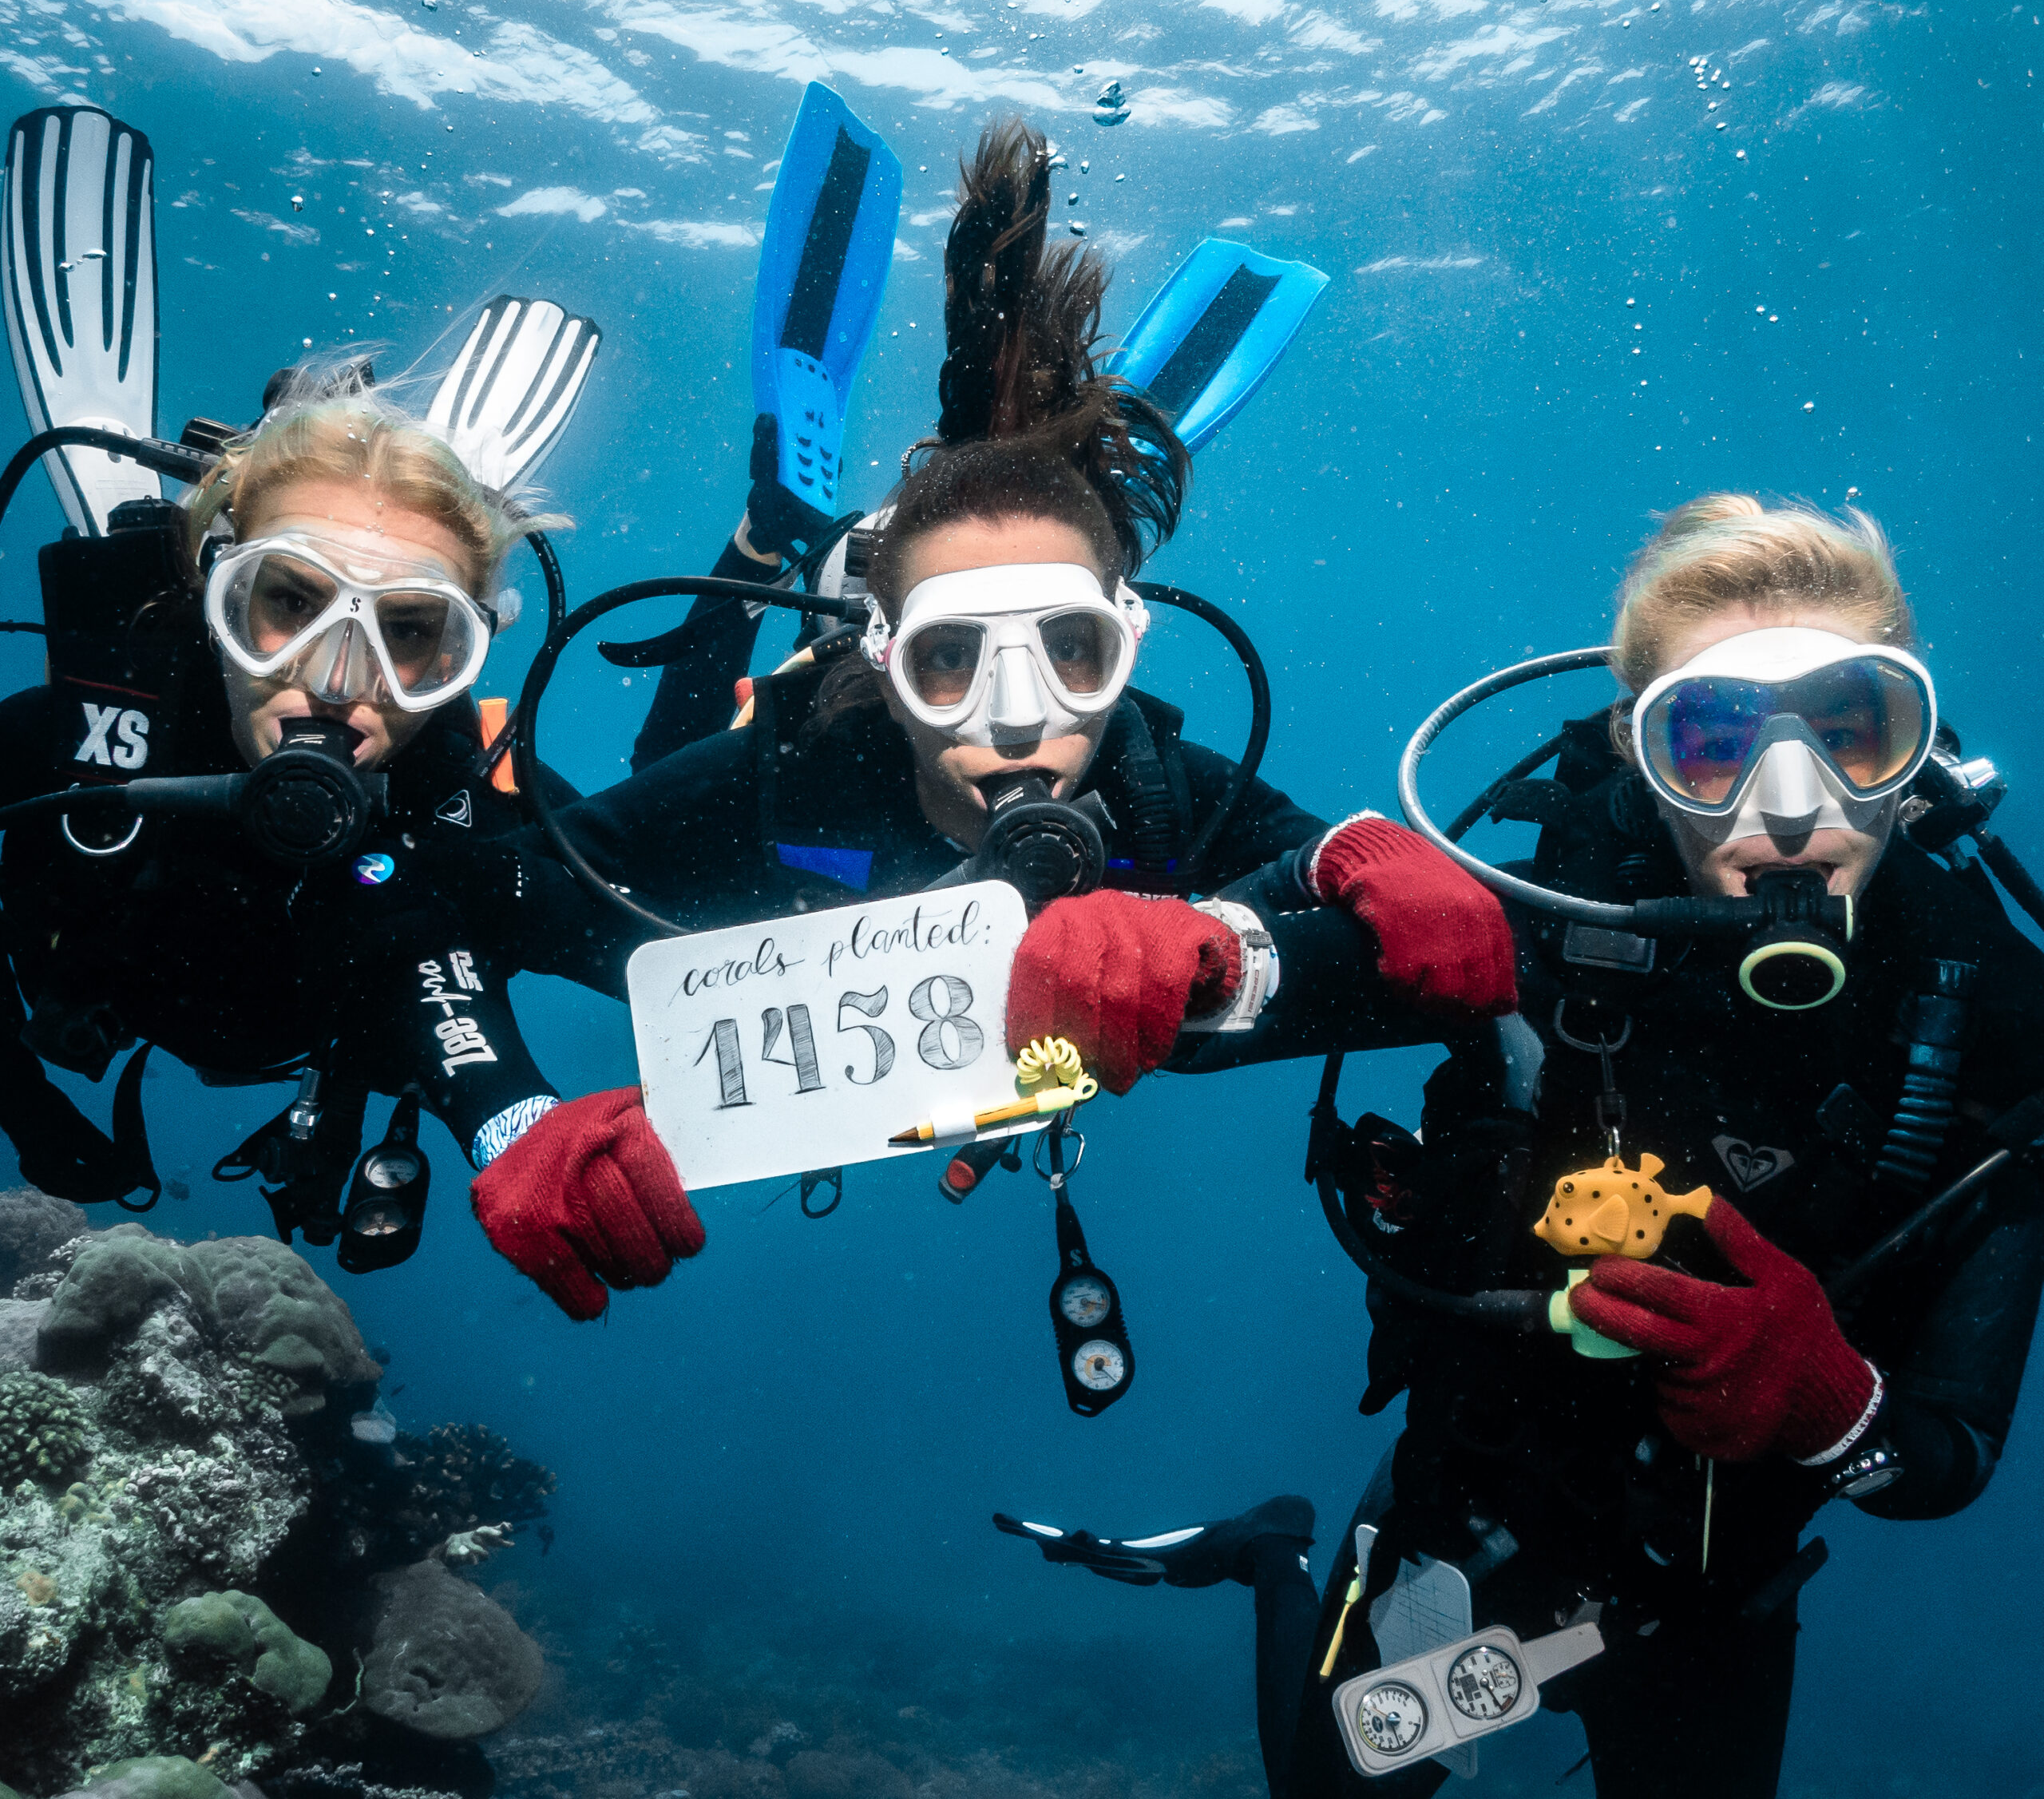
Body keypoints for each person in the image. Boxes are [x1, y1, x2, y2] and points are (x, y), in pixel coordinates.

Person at [998, 494, 2044, 1798]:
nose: (1792, 807)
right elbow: (1246, 998)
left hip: (1708, 1601)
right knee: (1333, 1786)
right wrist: (1187, 957)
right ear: (1640, 755)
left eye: (1852, 732)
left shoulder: (2000, 1024)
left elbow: (1946, 1453)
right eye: (1715, 742)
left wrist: (1839, 1410)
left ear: (1917, 751)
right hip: (1481, 1546)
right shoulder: (1543, 929)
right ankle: (1279, 1555)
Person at [455, 118, 1519, 1325]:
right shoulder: (807, 771)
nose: (1022, 723)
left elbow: (1402, 920)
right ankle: (775, 533)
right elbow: (447, 910)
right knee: (684, 756)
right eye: (953, 661)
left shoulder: (1157, 786)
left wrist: (1318, 878)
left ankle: (989, 531)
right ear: (892, 659)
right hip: (771, 815)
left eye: (1072, 652)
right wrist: (513, 1115)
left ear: (1128, 644)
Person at [0, 373, 572, 1262]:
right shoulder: (78, 740)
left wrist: (520, 1124)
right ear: (215, 588)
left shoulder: (475, 802)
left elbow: (661, 924)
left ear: (467, 648)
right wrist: (21, 1099)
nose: (339, 681)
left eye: (412, 629)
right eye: (291, 601)